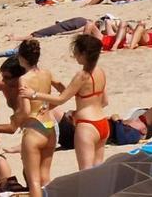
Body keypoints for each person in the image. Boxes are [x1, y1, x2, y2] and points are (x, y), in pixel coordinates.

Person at [26, 35, 108, 169]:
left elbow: (62, 98)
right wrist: (79, 110)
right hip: (103, 123)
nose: (74, 55)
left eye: (75, 52)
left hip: (87, 126)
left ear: (83, 54)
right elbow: (104, 101)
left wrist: (34, 94)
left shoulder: (82, 76)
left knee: (85, 173)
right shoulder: (101, 72)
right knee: (99, 171)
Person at [15, 40, 58, 197]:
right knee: (45, 178)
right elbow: (63, 90)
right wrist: (48, 105)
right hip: (49, 127)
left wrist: (15, 118)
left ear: (22, 58)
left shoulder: (24, 79)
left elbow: (26, 110)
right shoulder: (47, 73)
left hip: (34, 129)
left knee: (34, 182)